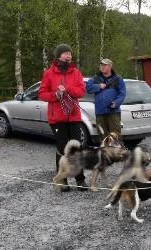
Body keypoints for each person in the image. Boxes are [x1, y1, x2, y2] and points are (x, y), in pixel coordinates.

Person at [38, 44, 87, 192]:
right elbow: (41, 94)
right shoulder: (49, 73)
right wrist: (56, 94)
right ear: (58, 56)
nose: (69, 56)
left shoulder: (76, 73)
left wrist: (68, 90)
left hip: (74, 117)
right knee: (62, 150)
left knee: (76, 149)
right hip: (57, 119)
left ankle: (80, 180)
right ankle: (62, 180)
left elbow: (81, 91)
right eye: (65, 53)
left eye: (70, 53)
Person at [85, 58, 126, 139]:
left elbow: (122, 94)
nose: (102, 67)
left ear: (110, 66)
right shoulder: (95, 78)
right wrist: (98, 86)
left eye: (105, 65)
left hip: (113, 112)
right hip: (100, 112)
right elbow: (88, 88)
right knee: (102, 136)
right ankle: (104, 151)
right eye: (101, 65)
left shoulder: (118, 79)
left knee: (115, 136)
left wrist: (116, 103)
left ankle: (115, 151)